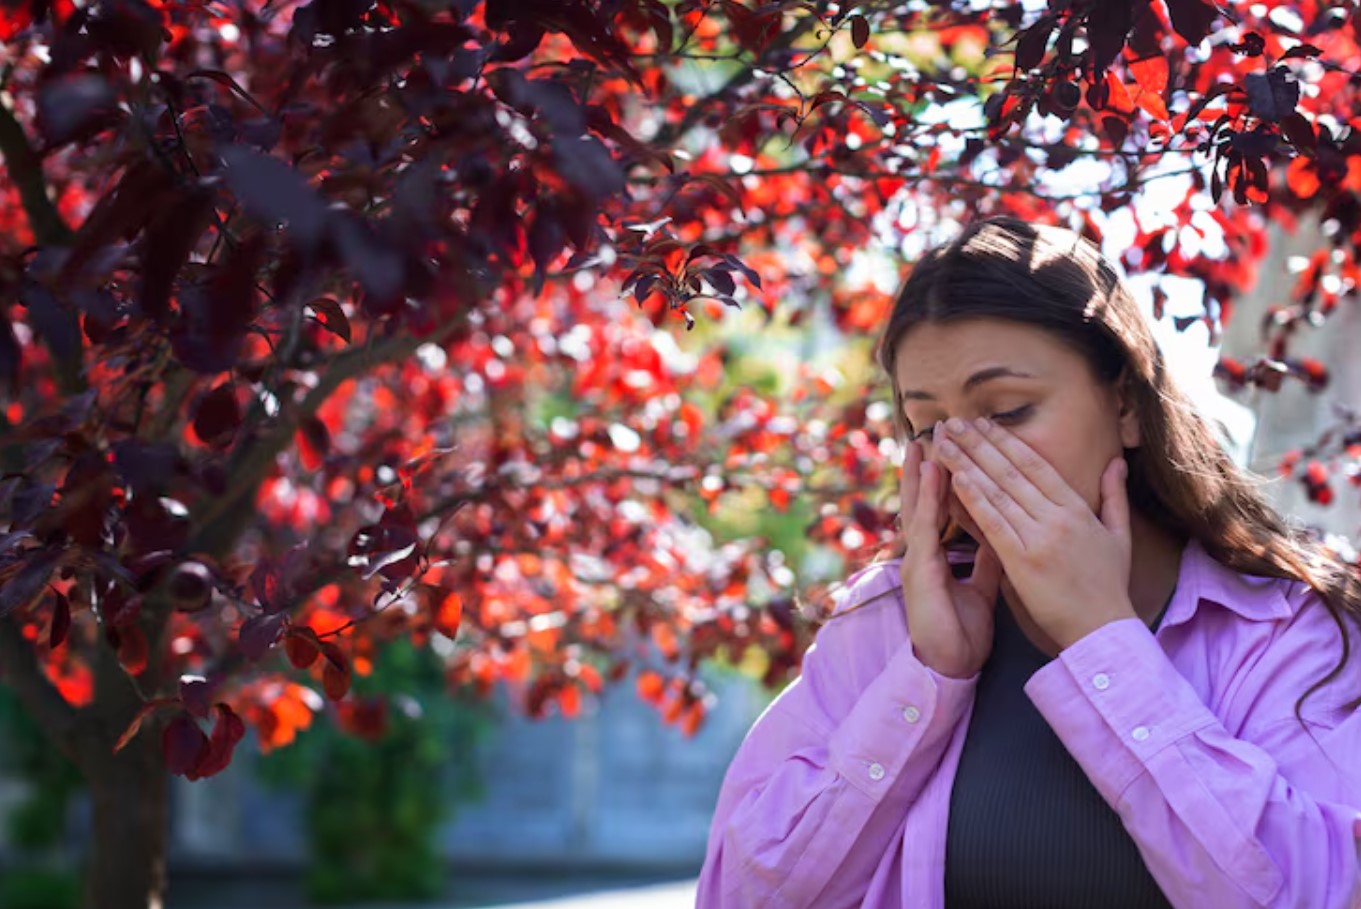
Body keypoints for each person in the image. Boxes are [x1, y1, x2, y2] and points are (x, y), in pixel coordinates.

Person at [696, 217, 1361, 908]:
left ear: (1127, 404)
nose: (961, 454)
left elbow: (1315, 892)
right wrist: (928, 677)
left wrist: (1102, 641)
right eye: (927, 427)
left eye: (1008, 411)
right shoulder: (885, 620)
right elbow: (741, 894)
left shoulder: (1287, 629)